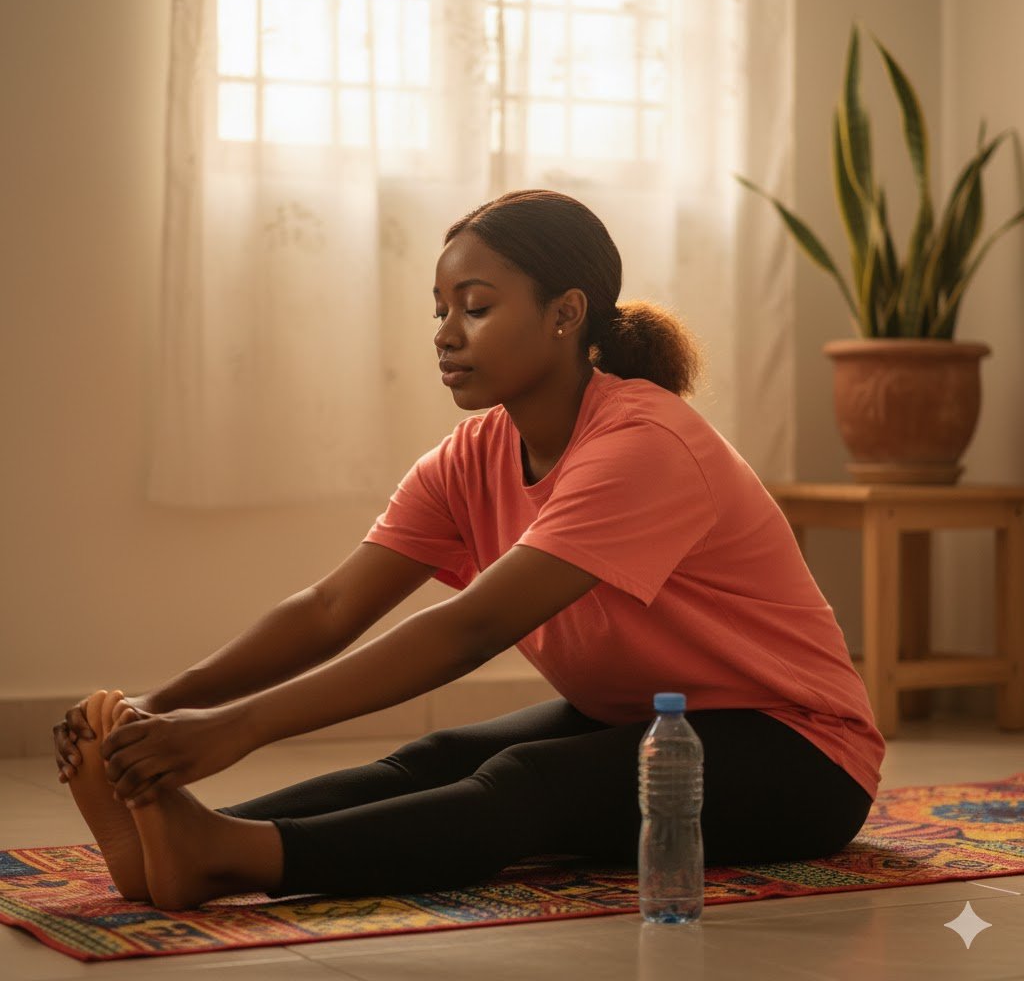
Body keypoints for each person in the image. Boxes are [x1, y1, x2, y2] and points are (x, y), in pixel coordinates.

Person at [54, 189, 884, 911]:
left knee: (528, 780)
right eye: (440, 309)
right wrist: (159, 714)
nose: (447, 334)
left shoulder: (644, 444)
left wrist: (237, 728)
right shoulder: (472, 456)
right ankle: (184, 839)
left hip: (798, 753)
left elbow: (468, 628)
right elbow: (331, 608)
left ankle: (229, 859)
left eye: (476, 307)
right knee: (439, 757)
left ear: (565, 314)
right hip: (642, 715)